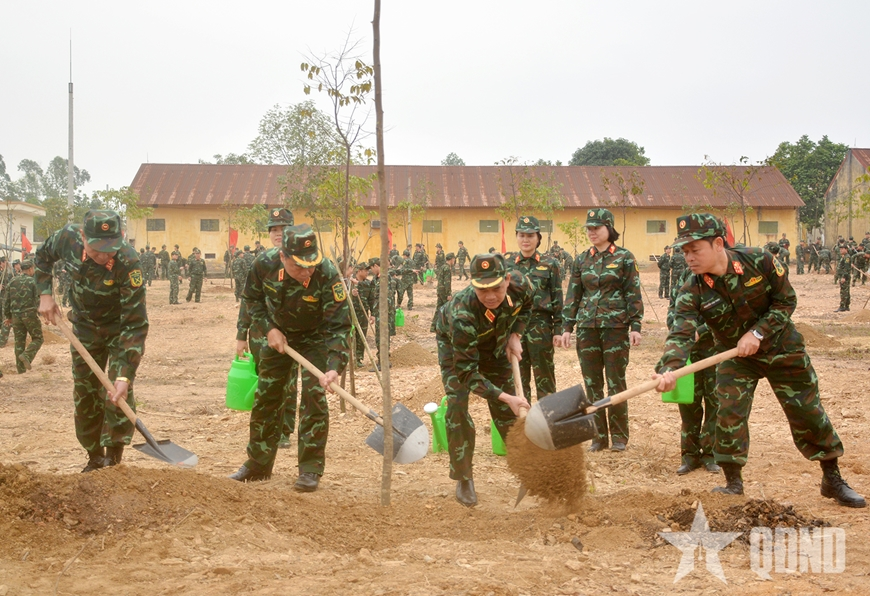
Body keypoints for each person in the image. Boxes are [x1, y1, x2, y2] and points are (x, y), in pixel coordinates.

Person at [653, 213, 865, 508]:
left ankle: (832, 478)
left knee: (807, 411)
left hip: (781, 347)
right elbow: (681, 332)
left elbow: (786, 300)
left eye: (694, 250)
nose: (688, 257)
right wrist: (670, 368)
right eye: (684, 251)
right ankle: (733, 483)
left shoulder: (759, 260)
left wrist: (757, 332)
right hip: (735, 357)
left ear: (717, 244)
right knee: (728, 413)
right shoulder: (692, 288)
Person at [229, 224, 351, 491]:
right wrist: (268, 328)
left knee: (313, 398)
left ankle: (309, 469)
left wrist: (333, 367)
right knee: (267, 396)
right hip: (277, 337)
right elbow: (252, 300)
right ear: (283, 256)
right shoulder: (264, 264)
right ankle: (258, 463)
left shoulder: (327, 273)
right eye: (300, 266)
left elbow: (339, 326)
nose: (307, 271)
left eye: (311, 265)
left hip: (315, 338)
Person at [35, 210, 149, 472]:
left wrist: (124, 375)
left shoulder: (128, 262)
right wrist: (44, 294)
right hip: (84, 327)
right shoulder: (67, 238)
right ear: (83, 236)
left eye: (110, 249)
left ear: (120, 238)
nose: (103, 256)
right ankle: (94, 456)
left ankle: (113, 458)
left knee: (117, 390)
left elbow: (135, 323)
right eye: (97, 249)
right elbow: (41, 258)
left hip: (119, 328)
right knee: (86, 392)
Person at [434, 253, 532, 506]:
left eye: (496, 288)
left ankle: (530, 469)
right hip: (457, 346)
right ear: (472, 284)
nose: (490, 296)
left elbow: (529, 305)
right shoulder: (462, 312)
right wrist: (506, 396)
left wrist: (516, 334)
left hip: (496, 339)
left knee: (508, 412)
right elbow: (467, 373)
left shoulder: (521, 285)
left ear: (507, 280)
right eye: (481, 289)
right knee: (457, 404)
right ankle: (464, 476)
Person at [561, 208, 643, 452]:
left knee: (616, 381)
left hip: (615, 327)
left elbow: (633, 293)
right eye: (589, 228)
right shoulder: (581, 259)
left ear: (609, 228)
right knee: (592, 383)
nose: (592, 232)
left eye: (596, 227)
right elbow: (573, 295)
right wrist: (567, 326)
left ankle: (619, 436)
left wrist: (635, 325)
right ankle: (599, 436)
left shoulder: (625, 258)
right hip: (587, 328)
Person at [236, 208, 299, 448]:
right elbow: (248, 299)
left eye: (283, 229)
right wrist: (241, 335)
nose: (278, 234)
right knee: (265, 384)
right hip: (261, 334)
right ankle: (266, 429)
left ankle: (284, 431)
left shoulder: (301, 259)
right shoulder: (262, 262)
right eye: (274, 229)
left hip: (289, 334)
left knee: (289, 383)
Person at [666, 266, 720, 475]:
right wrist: (679, 329)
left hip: (715, 349)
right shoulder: (684, 275)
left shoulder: (721, 276)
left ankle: (710, 454)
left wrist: (701, 330)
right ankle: (689, 455)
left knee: (715, 402)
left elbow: (725, 313)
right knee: (689, 402)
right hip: (689, 350)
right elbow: (673, 309)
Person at [508, 216, 564, 402]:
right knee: (518, 379)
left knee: (545, 378)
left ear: (538, 238)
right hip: (515, 328)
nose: (526, 239)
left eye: (530, 235)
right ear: (516, 237)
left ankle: (547, 424)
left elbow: (557, 298)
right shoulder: (507, 264)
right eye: (522, 235)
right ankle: (523, 425)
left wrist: (558, 330)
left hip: (541, 327)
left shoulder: (550, 264)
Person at [3, 259, 43, 373]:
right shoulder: (33, 282)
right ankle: (27, 356)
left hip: (16, 316)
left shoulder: (12, 281)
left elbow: (6, 301)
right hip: (29, 314)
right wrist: (43, 314)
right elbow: (38, 300)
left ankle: (20, 370)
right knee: (38, 338)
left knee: (19, 342)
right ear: (30, 269)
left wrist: (8, 316)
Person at [366, 257, 396, 371]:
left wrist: (379, 313)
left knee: (381, 337)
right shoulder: (376, 278)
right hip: (379, 312)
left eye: (372, 268)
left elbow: (384, 298)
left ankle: (383, 363)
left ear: (376, 266)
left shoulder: (384, 278)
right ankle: (384, 361)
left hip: (383, 313)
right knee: (380, 336)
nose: (371, 271)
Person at [350, 262, 372, 367]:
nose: (368, 272)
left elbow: (371, 299)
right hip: (351, 313)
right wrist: (351, 294)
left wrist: (372, 314)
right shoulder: (349, 282)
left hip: (363, 314)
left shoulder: (368, 284)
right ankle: (350, 358)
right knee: (351, 336)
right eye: (365, 270)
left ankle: (358, 358)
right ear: (359, 271)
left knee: (361, 336)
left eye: (368, 270)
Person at [430, 252, 455, 332]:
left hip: (439, 290)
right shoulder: (447, 268)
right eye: (453, 259)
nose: (454, 261)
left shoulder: (442, 267)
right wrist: (448, 294)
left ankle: (433, 327)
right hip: (444, 291)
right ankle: (448, 328)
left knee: (439, 308)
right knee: (448, 309)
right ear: (451, 259)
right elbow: (447, 282)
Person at [836, 245, 851, 312]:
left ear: (846, 249)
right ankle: (846, 306)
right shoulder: (844, 257)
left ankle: (842, 306)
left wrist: (843, 277)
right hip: (843, 276)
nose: (841, 250)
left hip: (844, 277)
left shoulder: (847, 257)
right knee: (846, 291)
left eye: (842, 249)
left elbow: (846, 268)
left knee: (843, 292)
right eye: (840, 249)